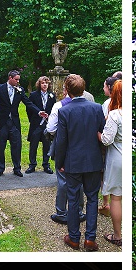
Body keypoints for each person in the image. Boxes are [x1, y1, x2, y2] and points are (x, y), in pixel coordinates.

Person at [51, 74, 106, 251]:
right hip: (93, 161)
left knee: (73, 200)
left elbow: (61, 141)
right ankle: (90, 239)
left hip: (73, 162)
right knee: (92, 199)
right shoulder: (97, 108)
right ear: (83, 89)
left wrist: (59, 162)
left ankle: (74, 238)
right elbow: (101, 135)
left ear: (67, 90)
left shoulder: (64, 111)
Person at [0, 69, 48, 178]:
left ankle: (17, 168)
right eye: (16, 79)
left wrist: (38, 111)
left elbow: (28, 103)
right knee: (1, 146)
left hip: (14, 122)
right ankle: (0, 168)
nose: (18, 81)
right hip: (2, 122)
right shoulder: (0, 88)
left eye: (19, 79)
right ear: (10, 78)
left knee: (16, 145)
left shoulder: (20, 90)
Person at [45, 91, 85, 226]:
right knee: (78, 180)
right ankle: (79, 211)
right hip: (81, 147)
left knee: (63, 180)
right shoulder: (91, 104)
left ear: (67, 89)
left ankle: (61, 212)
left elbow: (50, 129)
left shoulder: (59, 106)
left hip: (64, 147)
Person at [99, 80, 122, 246]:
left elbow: (107, 140)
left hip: (117, 157)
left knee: (116, 197)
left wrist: (97, 132)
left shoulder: (116, 114)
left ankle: (117, 235)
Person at [26, 76, 56, 174]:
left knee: (47, 145)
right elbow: (29, 108)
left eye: (46, 83)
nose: (45, 85)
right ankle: (32, 165)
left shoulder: (52, 95)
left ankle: (46, 165)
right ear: (39, 84)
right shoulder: (34, 95)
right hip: (36, 124)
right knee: (33, 145)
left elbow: (53, 109)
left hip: (47, 124)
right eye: (43, 83)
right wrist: (33, 119)